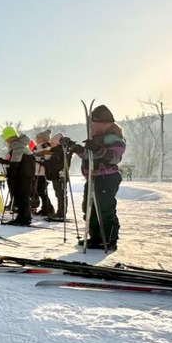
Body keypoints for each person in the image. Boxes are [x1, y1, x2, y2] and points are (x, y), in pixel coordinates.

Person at [64, 105, 127, 250]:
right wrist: (76, 147)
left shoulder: (114, 138)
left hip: (106, 178)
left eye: (93, 124)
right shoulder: (96, 138)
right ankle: (95, 237)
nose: (90, 127)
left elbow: (114, 157)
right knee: (89, 207)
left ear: (105, 124)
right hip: (93, 177)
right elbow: (89, 156)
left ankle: (109, 239)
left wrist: (98, 149)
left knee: (104, 209)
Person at [0, 127, 34, 226]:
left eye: (6, 139)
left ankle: (23, 218)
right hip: (24, 174)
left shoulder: (17, 146)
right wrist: (1, 161)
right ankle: (25, 217)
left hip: (23, 175)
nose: (6, 141)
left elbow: (16, 161)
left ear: (10, 138)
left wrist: (11, 174)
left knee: (21, 196)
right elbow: (13, 161)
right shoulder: (19, 145)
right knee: (22, 196)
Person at [31, 129, 56, 216]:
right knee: (38, 190)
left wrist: (37, 159)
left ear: (43, 139)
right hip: (36, 172)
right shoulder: (37, 147)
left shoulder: (46, 147)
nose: (37, 139)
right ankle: (45, 207)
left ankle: (48, 208)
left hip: (42, 172)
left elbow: (47, 157)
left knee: (41, 190)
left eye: (38, 138)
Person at [45, 133, 68, 220]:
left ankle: (61, 213)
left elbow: (59, 164)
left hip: (60, 175)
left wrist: (47, 162)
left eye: (53, 143)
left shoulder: (61, 151)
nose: (51, 145)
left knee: (61, 194)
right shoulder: (56, 151)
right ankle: (60, 212)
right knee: (59, 194)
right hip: (56, 175)